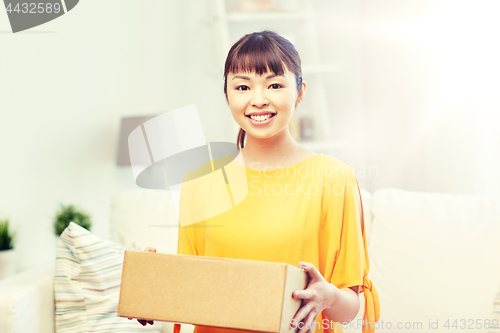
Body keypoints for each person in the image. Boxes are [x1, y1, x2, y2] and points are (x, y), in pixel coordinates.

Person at [134, 30, 380, 333]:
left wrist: (328, 296)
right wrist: (153, 289)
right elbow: (196, 294)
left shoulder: (334, 179)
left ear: (301, 91)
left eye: (275, 85)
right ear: (227, 94)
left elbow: (348, 309)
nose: (259, 100)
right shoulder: (199, 182)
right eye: (242, 87)